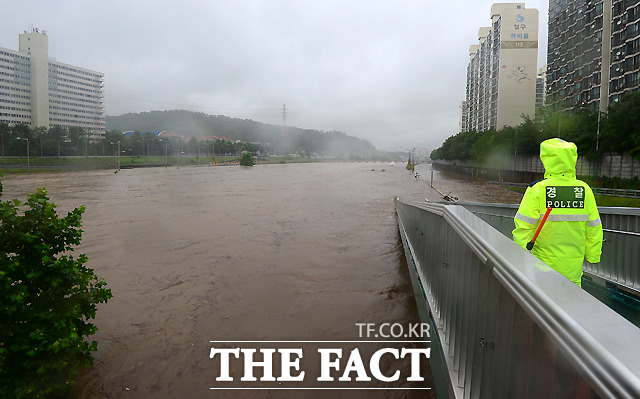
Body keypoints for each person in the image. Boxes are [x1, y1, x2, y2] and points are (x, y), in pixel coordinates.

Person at [512, 138, 603, 287]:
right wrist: (593, 255)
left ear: (547, 159)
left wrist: (520, 256)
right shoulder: (584, 189)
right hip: (573, 266)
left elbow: (523, 227)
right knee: (571, 303)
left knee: (543, 306)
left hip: (543, 266)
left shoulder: (538, 189)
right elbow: (594, 227)